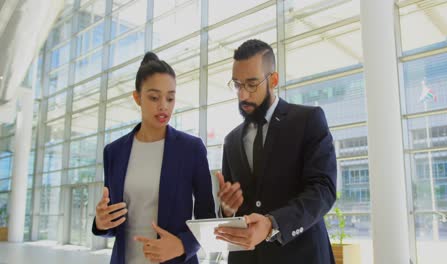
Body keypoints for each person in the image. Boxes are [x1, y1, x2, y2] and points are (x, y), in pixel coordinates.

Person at [214, 39, 337, 264]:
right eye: (238, 84)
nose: (242, 95)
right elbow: (235, 205)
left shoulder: (308, 120)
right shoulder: (231, 140)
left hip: (302, 256)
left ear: (274, 79)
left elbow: (323, 190)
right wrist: (227, 210)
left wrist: (273, 224)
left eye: (251, 84)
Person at [92, 52, 216, 264]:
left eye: (170, 97)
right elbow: (114, 224)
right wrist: (101, 223)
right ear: (137, 97)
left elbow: (207, 221)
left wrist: (182, 245)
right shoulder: (114, 152)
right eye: (154, 97)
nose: (164, 106)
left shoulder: (191, 149)